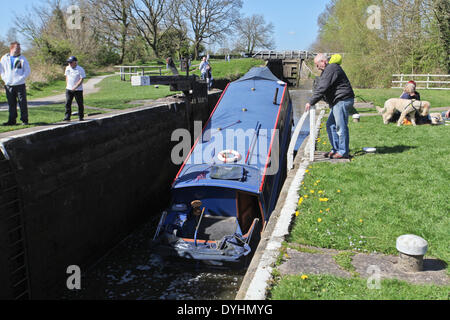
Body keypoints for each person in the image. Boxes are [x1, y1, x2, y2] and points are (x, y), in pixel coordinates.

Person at [305, 53, 355, 159]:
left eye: (317, 64)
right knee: (330, 125)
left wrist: (311, 102)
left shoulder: (331, 68)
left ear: (323, 61)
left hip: (342, 100)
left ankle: (342, 152)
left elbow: (323, 87)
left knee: (340, 127)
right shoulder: (329, 70)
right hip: (338, 101)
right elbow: (323, 87)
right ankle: (336, 149)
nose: (317, 67)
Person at [0, 42, 31, 126]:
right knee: (11, 104)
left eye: (19, 49)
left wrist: (21, 79)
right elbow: (1, 70)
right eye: (17, 48)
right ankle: (12, 120)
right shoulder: (4, 58)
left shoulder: (22, 58)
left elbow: (27, 71)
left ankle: (24, 120)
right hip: (9, 84)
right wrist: (5, 79)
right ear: (11, 49)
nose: (18, 50)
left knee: (22, 102)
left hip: (20, 85)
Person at [64, 56, 86, 121]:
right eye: (69, 62)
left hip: (78, 90)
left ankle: (81, 116)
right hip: (69, 89)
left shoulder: (80, 69)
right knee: (68, 103)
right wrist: (68, 85)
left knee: (79, 103)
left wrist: (75, 87)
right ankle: (67, 117)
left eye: (71, 62)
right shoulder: (67, 68)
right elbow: (67, 76)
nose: (69, 64)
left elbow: (81, 79)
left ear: (75, 62)